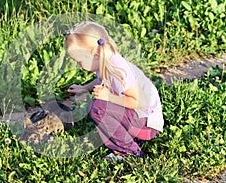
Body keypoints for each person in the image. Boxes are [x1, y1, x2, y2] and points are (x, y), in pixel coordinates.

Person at [64, 21, 164, 160]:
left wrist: (109, 97)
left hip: (148, 125)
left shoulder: (118, 71)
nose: (77, 65)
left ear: (96, 52)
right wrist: (84, 88)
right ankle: (130, 139)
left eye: (79, 61)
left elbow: (138, 102)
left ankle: (129, 151)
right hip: (141, 119)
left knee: (98, 108)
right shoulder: (106, 60)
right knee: (97, 104)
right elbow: (102, 79)